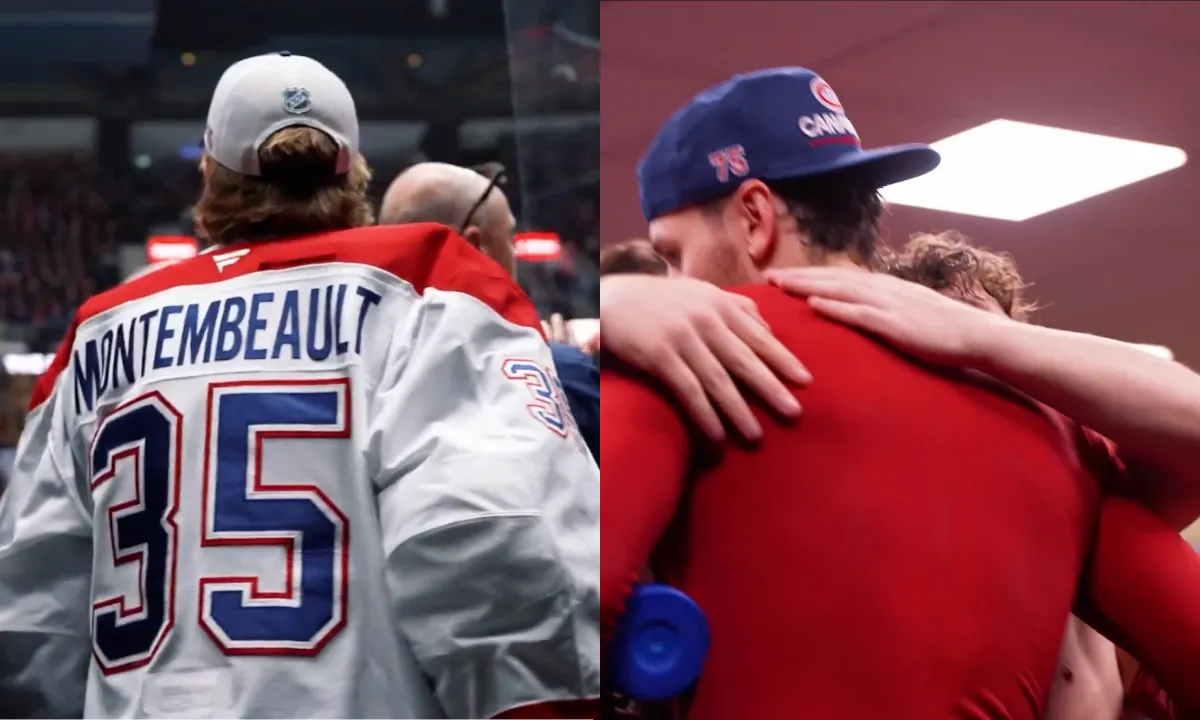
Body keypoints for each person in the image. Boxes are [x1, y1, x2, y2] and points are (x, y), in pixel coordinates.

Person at [0, 52, 600, 719]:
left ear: (211, 174)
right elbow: (492, 535)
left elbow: (31, 613)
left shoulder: (98, 329)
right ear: (354, 174)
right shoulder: (429, 286)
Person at [601, 67, 1200, 719]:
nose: (673, 282)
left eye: (672, 254)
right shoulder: (1048, 420)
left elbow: (564, 609)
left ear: (754, 217)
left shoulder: (684, 356)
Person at [884, 232, 1183, 720]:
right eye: (942, 345)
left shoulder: (1082, 475)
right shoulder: (894, 499)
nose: (968, 367)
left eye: (979, 343)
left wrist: (986, 339)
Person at [379, 161, 599, 458]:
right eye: (508, 237)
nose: (513, 251)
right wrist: (558, 368)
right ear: (473, 246)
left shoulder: (368, 367)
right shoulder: (559, 373)